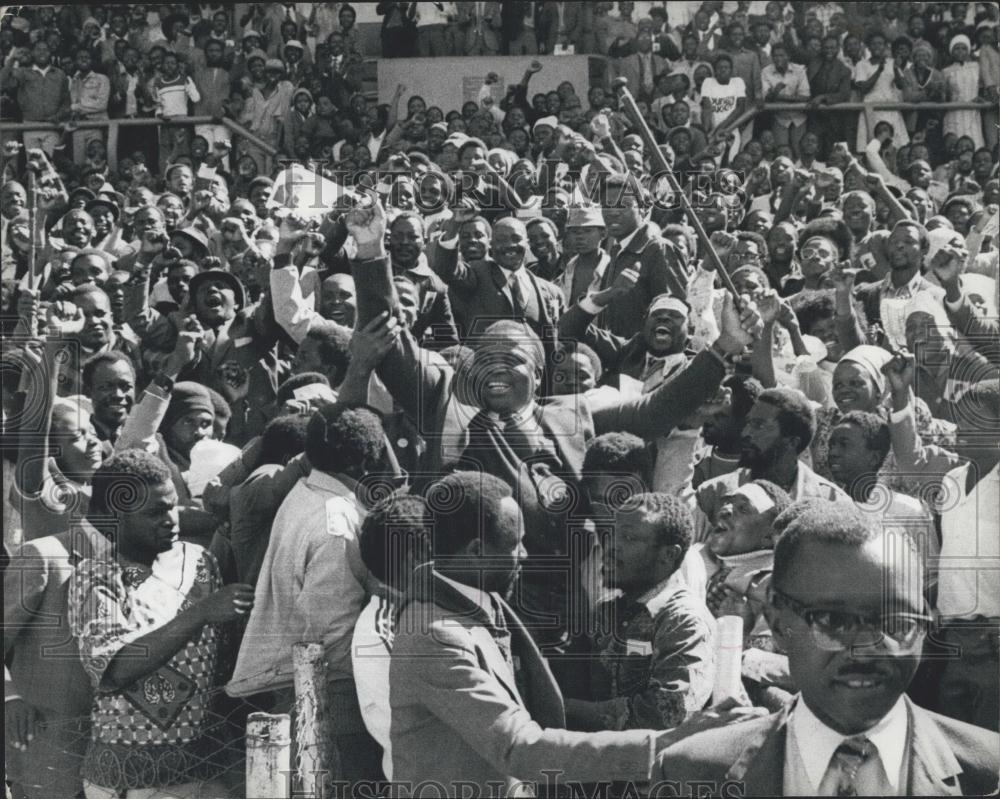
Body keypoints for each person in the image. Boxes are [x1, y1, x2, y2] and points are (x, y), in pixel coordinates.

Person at [389, 470, 764, 795]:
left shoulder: (478, 600)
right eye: (514, 543)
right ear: (476, 552)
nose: (524, 556)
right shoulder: (436, 635)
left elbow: (662, 712)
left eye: (630, 538)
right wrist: (664, 741)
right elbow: (521, 747)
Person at [656, 502, 1000, 796]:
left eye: (897, 622)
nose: (866, 649)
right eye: (832, 620)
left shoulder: (989, 774)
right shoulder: (690, 774)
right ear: (778, 621)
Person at [68, 449, 254, 798]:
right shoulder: (97, 577)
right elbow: (115, 670)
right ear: (115, 516)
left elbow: (222, 666)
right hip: (129, 780)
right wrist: (199, 613)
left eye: (171, 506)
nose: (170, 519)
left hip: (200, 768)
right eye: (155, 512)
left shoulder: (201, 563)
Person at [227, 403, 387, 782]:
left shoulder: (306, 491)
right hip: (330, 701)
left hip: (306, 692)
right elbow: (326, 633)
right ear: (368, 462)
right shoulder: (337, 523)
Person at [567, 493, 717, 733]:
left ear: (669, 555)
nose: (611, 546)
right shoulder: (606, 612)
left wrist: (567, 709)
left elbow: (667, 717)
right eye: (613, 534)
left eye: (628, 537)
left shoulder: (684, 621)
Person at [694, 387, 849, 541]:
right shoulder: (712, 495)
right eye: (748, 423)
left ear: (792, 442)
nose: (745, 433)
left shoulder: (832, 503)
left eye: (759, 425)